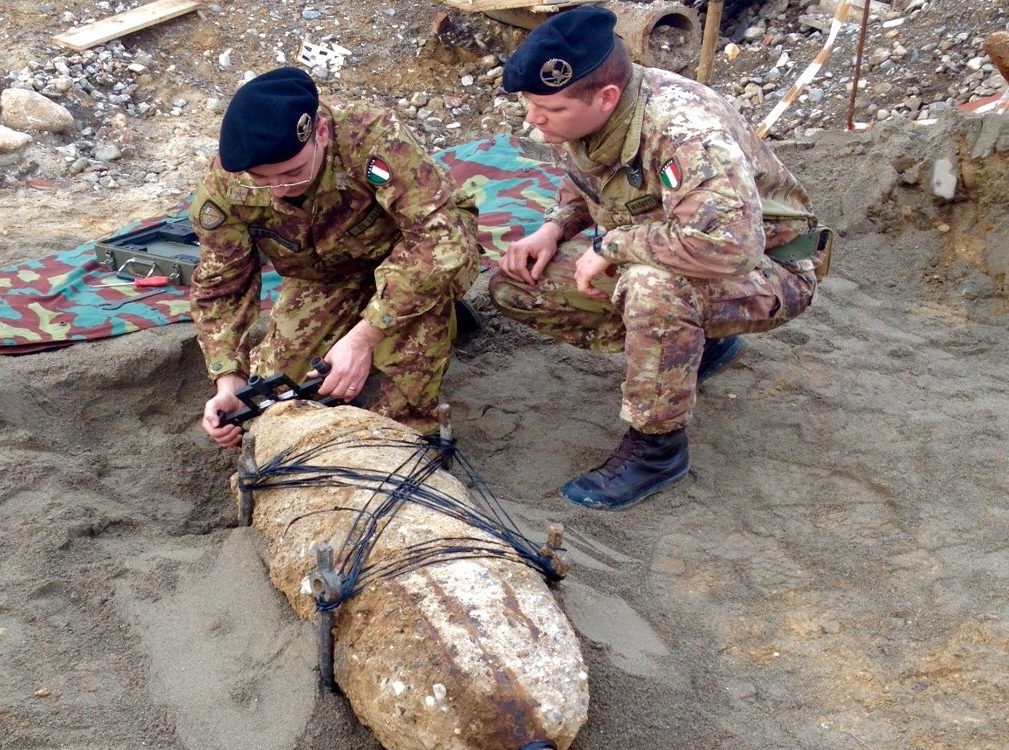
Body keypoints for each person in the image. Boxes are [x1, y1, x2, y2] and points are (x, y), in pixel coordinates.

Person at [493, 6, 831, 510]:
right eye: (528, 105)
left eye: (551, 110)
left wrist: (611, 247)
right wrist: (553, 227)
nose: (533, 120)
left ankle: (656, 450)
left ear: (605, 97)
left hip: (772, 269)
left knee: (654, 289)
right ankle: (698, 348)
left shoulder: (685, 132)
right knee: (517, 285)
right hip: (684, 247)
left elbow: (731, 246)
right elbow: (590, 177)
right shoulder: (595, 112)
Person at [189, 67, 480, 448]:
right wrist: (229, 378)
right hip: (328, 277)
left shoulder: (373, 138)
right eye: (263, 180)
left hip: (415, 257)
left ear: (321, 133)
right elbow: (221, 286)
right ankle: (416, 320)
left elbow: (439, 241)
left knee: (400, 426)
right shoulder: (226, 185)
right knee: (280, 397)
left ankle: (430, 325)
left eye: (292, 173)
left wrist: (363, 338)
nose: (278, 191)